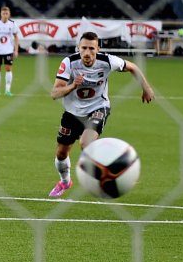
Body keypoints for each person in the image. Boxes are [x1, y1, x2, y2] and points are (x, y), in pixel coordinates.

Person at [48, 31, 154, 197]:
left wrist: (146, 87)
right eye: (84, 48)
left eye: (91, 48)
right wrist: (72, 86)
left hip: (98, 107)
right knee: (61, 153)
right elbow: (54, 93)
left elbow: (132, 67)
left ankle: (108, 174)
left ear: (98, 49)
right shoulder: (69, 63)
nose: (87, 52)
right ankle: (65, 181)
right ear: (78, 48)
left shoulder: (108, 61)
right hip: (72, 112)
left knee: (86, 142)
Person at [0, 5, 18, 96]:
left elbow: (16, 37)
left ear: (9, 14)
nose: (5, 15)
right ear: (0, 14)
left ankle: (7, 90)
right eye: (3, 13)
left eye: (6, 13)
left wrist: (16, 50)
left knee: (8, 68)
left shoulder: (12, 23)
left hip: (8, 50)